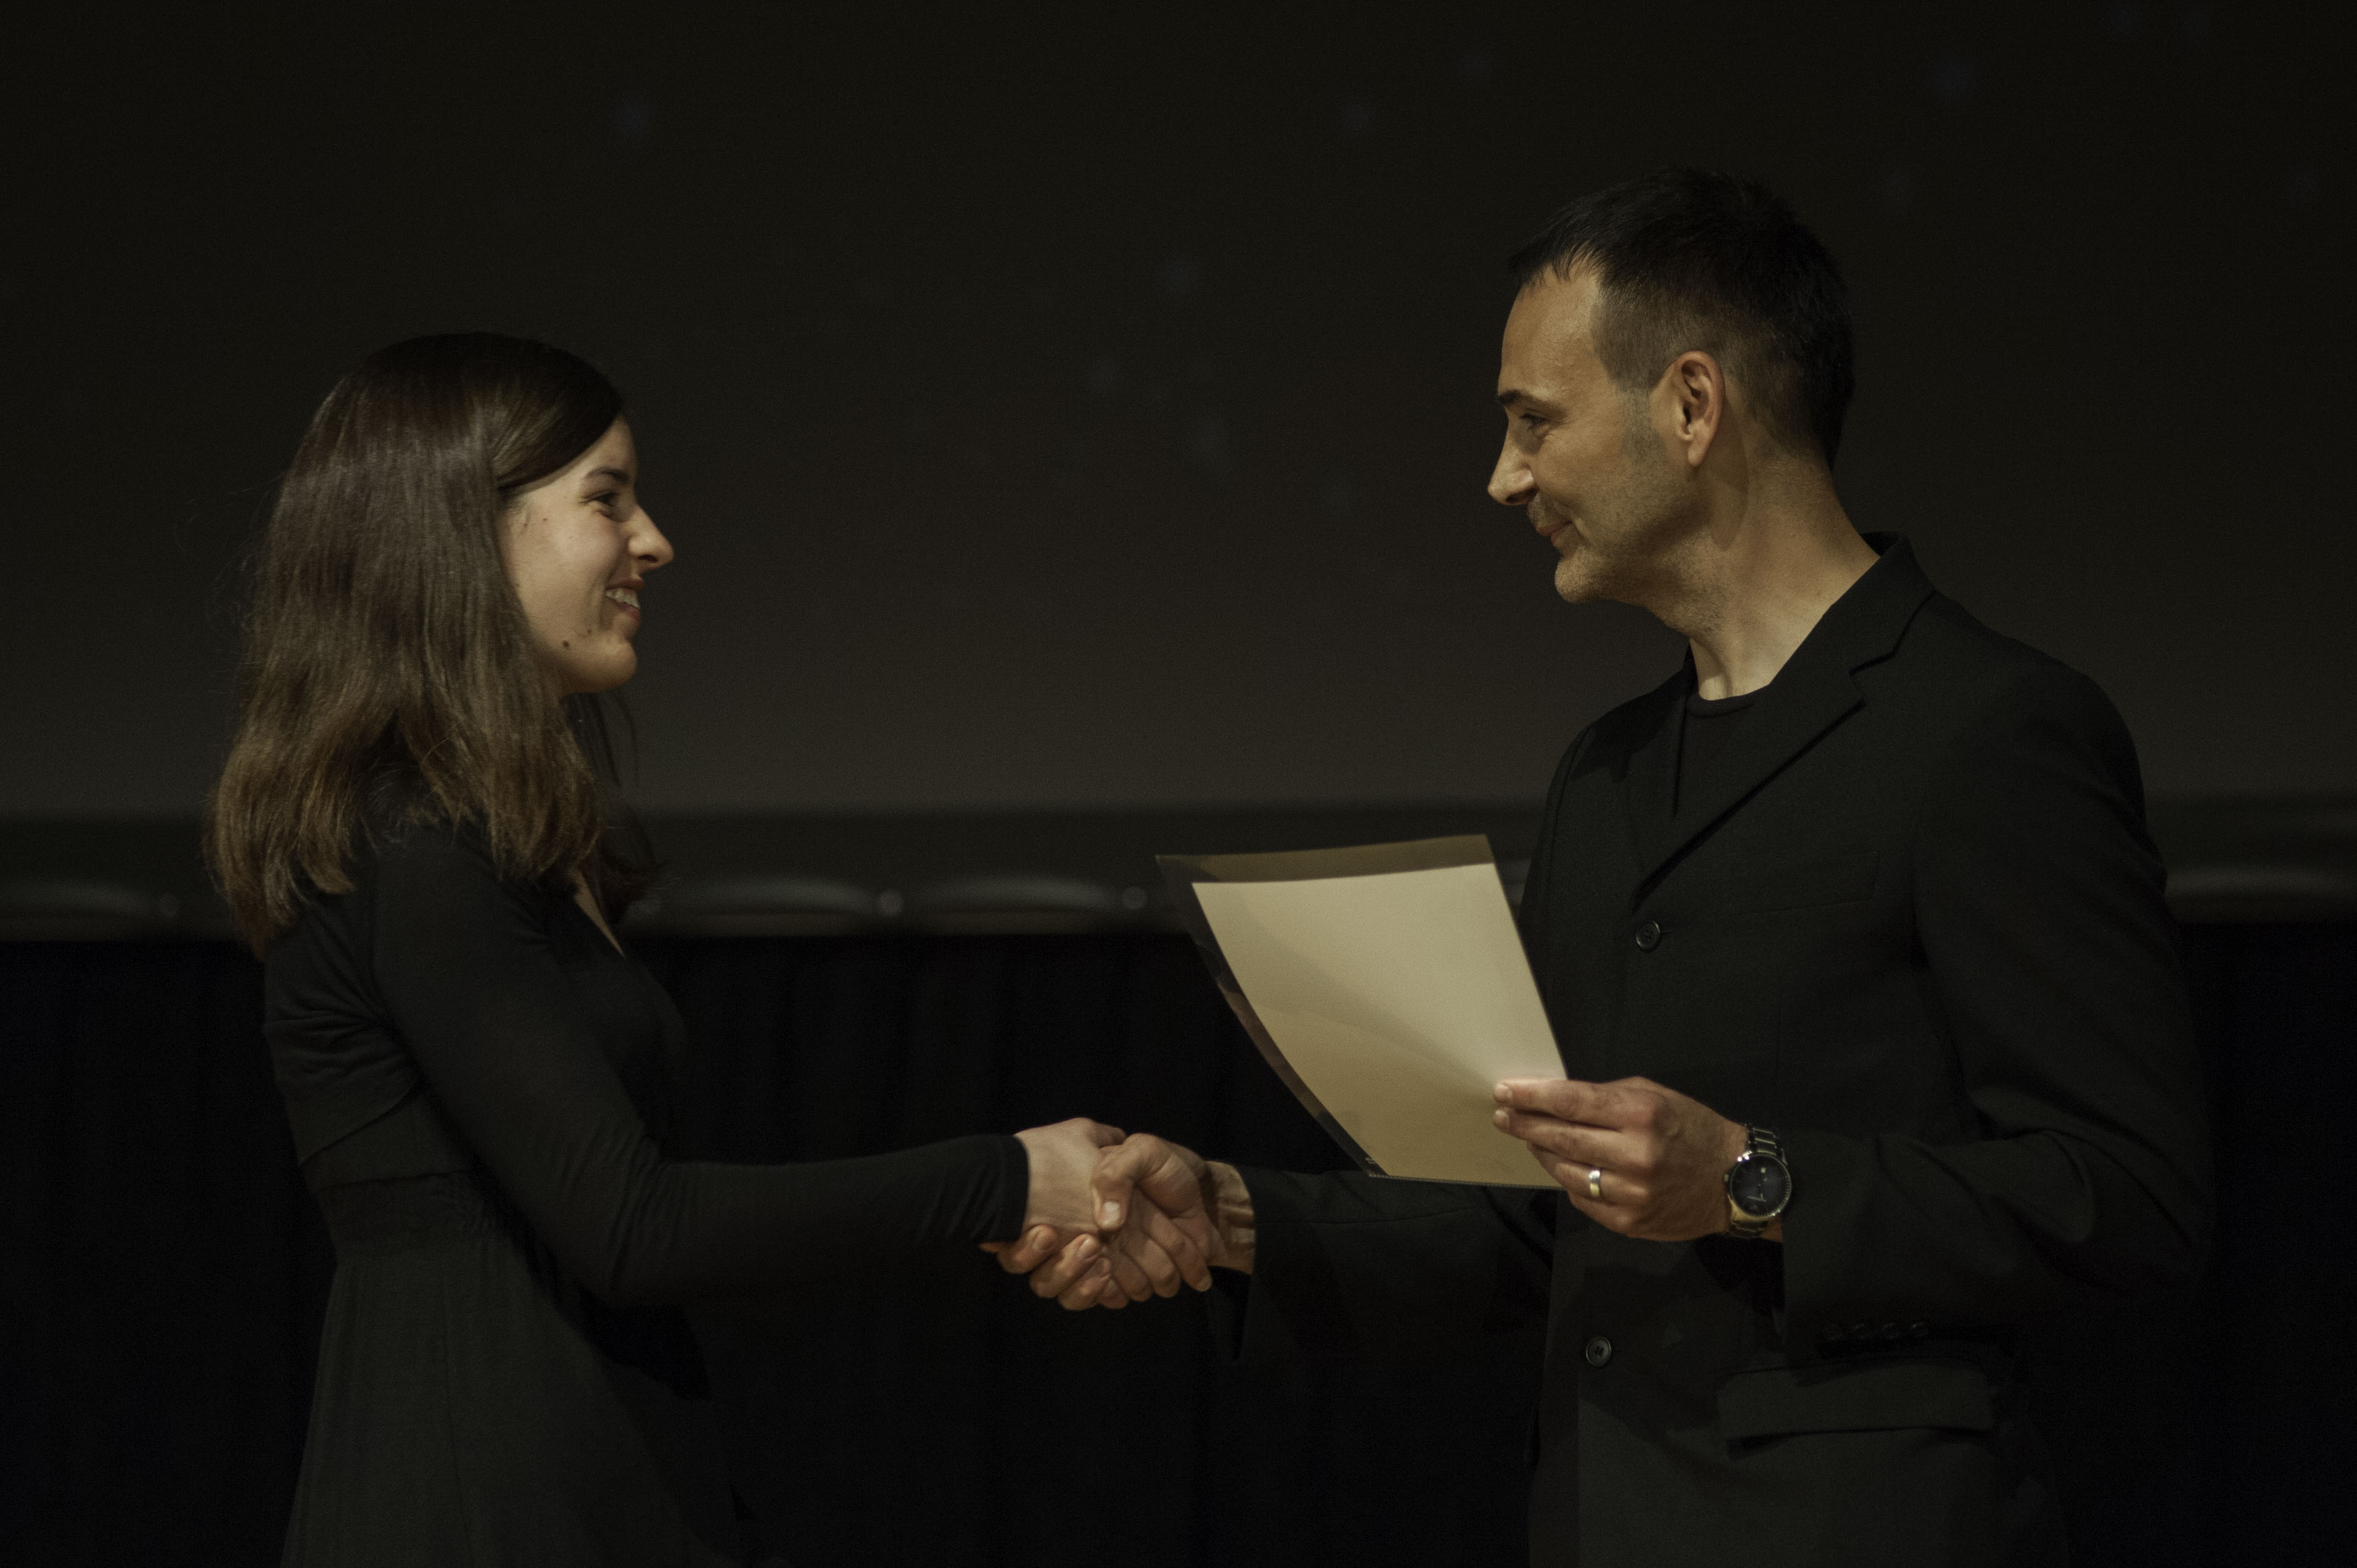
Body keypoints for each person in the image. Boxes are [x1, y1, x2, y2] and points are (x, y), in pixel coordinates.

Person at [1010, 171, 2213, 1566]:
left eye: (1535, 422)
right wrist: (1227, 1214)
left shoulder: (1987, 731)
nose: (1504, 477)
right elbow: (1544, 1222)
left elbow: (2129, 1198)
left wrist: (1753, 1179)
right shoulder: (1609, 770)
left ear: (1692, 406)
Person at [204, 334, 1205, 1566]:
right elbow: (635, 1227)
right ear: (459, 531)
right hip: (477, 1504)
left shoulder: (501, 841)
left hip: (583, 1468)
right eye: (606, 500)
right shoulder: (414, 842)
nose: (655, 542)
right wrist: (1006, 1179)